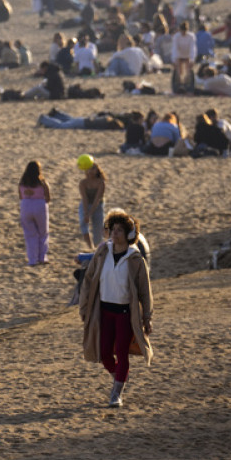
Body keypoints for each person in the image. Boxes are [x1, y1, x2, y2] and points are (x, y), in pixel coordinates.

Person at [78, 210, 154, 408]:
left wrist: (147, 317)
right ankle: (120, 376)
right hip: (103, 312)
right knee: (104, 353)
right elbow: (88, 280)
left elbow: (145, 291)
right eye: (113, 229)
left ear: (129, 234)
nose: (115, 233)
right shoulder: (103, 252)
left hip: (125, 314)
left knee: (121, 352)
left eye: (119, 230)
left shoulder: (135, 259)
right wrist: (84, 307)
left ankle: (116, 393)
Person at [17, 161, 51, 266]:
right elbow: (48, 198)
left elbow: (20, 196)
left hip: (25, 205)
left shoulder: (22, 183)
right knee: (43, 233)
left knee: (30, 234)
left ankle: (32, 259)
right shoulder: (42, 183)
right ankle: (42, 257)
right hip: (39, 205)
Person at [78, 160, 107, 250]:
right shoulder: (83, 183)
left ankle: (97, 248)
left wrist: (90, 214)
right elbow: (84, 198)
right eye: (89, 169)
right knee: (83, 224)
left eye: (93, 169)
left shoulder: (101, 183)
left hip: (98, 206)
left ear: (97, 170)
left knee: (98, 229)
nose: (91, 171)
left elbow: (97, 199)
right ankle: (90, 247)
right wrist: (86, 213)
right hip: (85, 205)